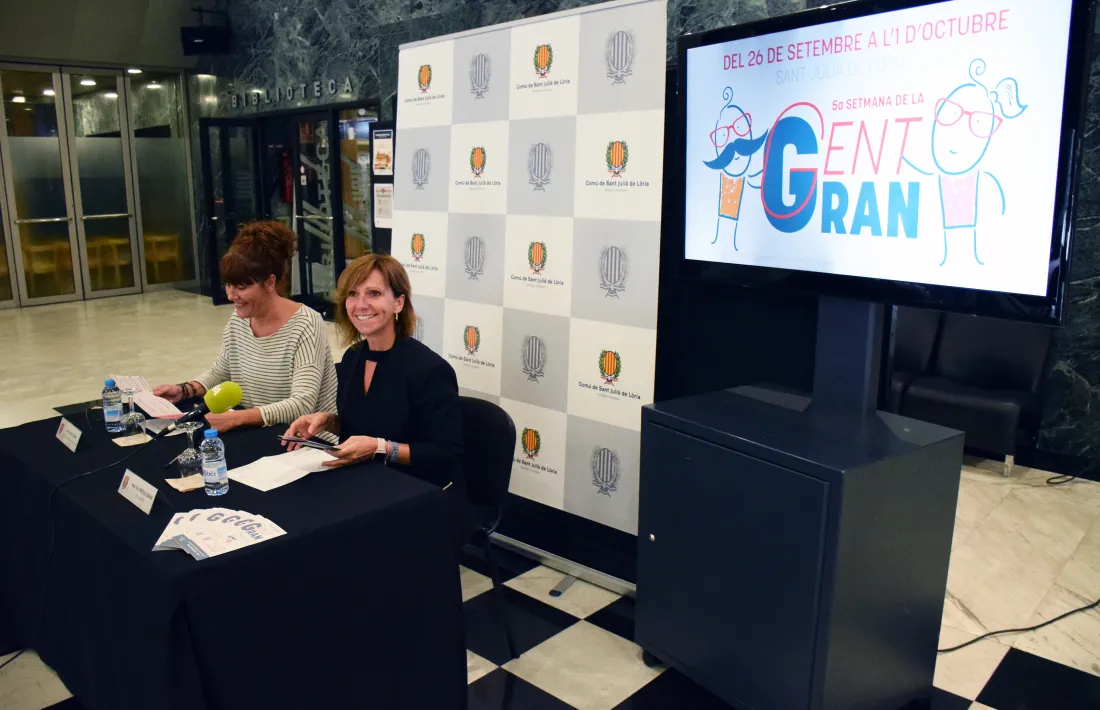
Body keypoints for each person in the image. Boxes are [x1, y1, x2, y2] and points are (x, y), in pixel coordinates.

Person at [282, 253, 466, 546]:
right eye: (353, 294)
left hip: (419, 494)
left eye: (374, 293)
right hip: (366, 483)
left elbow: (445, 455)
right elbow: (370, 422)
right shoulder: (354, 357)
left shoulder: (430, 370)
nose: (361, 304)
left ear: (398, 303)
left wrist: (381, 448)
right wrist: (327, 420)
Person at [153, 221, 338, 433]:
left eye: (242, 287)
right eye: (229, 285)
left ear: (269, 282)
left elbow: (302, 404)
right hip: (259, 432)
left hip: (305, 441)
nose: (231, 296)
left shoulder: (306, 323)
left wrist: (237, 418)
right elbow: (221, 372)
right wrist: (184, 390)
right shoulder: (239, 320)